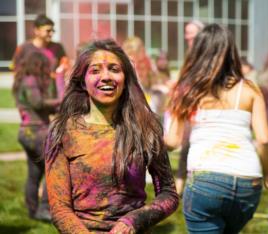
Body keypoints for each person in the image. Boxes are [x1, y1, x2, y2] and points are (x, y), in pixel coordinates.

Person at [45, 39, 179, 234]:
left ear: (125, 79)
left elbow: (168, 193)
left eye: (114, 69)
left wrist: (134, 221)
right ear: (83, 81)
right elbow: (59, 208)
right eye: (95, 70)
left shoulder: (145, 127)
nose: (106, 76)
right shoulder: (63, 131)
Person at [165, 24, 268, 233]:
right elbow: (264, 140)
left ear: (197, 52)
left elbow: (172, 141)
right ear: (231, 52)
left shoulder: (186, 89)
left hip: (205, 182)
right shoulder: (250, 89)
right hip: (249, 183)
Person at [12, 51, 62, 221]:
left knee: (34, 172)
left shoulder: (24, 80)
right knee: (53, 169)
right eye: (46, 66)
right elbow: (38, 103)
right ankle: (44, 209)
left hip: (28, 132)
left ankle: (32, 211)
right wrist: (60, 100)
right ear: (38, 65)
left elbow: (39, 106)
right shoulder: (30, 80)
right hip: (36, 132)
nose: (48, 70)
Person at [175, 20, 205, 195]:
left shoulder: (206, 55)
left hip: (204, 107)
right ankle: (179, 186)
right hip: (189, 106)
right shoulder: (189, 55)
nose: (188, 37)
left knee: (199, 145)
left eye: (192, 34)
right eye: (187, 33)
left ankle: (197, 185)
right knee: (186, 145)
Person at [12, 14, 69, 100]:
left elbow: (66, 67)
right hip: (31, 96)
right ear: (37, 30)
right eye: (48, 30)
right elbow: (16, 71)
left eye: (53, 30)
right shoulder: (23, 48)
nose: (51, 33)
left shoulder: (58, 48)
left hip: (53, 96)